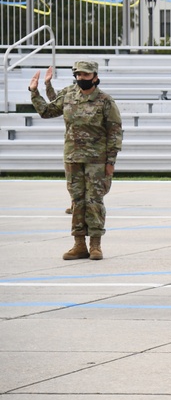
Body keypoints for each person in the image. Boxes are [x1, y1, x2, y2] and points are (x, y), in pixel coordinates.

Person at [29, 60, 122, 261]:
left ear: (95, 77)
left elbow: (115, 132)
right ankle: (79, 244)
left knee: (94, 201)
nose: (82, 78)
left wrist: (111, 162)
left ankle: (95, 244)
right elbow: (46, 112)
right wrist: (34, 92)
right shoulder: (68, 96)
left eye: (86, 75)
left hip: (97, 160)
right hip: (73, 158)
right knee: (77, 201)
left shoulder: (105, 101)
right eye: (79, 75)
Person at [42, 68, 75, 216]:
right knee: (72, 181)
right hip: (73, 146)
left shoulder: (95, 95)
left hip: (91, 146)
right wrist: (48, 84)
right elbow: (55, 103)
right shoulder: (69, 91)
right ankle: (75, 204)